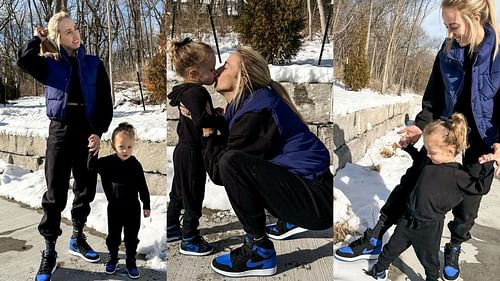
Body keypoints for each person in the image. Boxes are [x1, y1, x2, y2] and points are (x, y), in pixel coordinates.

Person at [335, 0, 500, 280]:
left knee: (468, 204)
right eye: (446, 26)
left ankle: (455, 247)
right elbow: (432, 96)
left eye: (453, 26)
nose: (449, 34)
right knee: (411, 185)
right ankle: (375, 236)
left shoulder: (498, 56)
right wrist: (420, 127)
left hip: (483, 144)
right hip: (444, 132)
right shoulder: (447, 51)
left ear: (475, 17)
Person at [193, 47, 333, 277]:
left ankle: (260, 251)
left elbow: (222, 171)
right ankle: (285, 220)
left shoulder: (258, 111)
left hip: (317, 201)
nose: (218, 69)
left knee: (232, 163)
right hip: (313, 191)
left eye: (226, 65)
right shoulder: (250, 104)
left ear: (244, 77)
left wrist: (208, 134)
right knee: (237, 162)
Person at [17, 11, 113, 281]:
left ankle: (78, 237)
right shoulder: (50, 64)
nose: (75, 34)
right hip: (60, 130)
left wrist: (98, 133)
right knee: (55, 193)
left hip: (87, 132)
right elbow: (23, 59)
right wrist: (38, 40)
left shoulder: (95, 64)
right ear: (58, 37)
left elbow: (105, 102)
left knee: (85, 188)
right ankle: (49, 251)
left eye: (76, 28)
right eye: (68, 31)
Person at [365, 114, 493, 281]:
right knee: (390, 250)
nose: (428, 155)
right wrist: (409, 148)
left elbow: (480, 188)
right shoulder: (430, 161)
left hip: (429, 228)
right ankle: (378, 270)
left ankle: (432, 278)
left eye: (431, 151)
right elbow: (419, 157)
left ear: (449, 151)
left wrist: (488, 166)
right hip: (408, 220)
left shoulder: (459, 175)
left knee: (429, 260)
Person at [166, 38, 226, 256]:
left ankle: (172, 227)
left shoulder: (185, 91)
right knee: (193, 195)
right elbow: (201, 121)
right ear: (194, 73)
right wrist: (221, 120)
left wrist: (213, 113)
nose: (215, 72)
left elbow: (197, 117)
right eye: (210, 69)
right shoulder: (197, 92)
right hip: (192, 152)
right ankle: (189, 238)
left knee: (179, 192)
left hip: (182, 150)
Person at [88, 122, 150, 279]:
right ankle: (113, 258)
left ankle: (131, 262)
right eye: (122, 146)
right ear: (114, 145)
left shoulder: (135, 164)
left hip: (133, 209)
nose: (126, 150)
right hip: (114, 208)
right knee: (113, 236)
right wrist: (94, 149)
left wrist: (146, 204)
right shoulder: (107, 163)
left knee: (131, 237)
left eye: (129, 147)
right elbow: (91, 166)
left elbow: (142, 186)